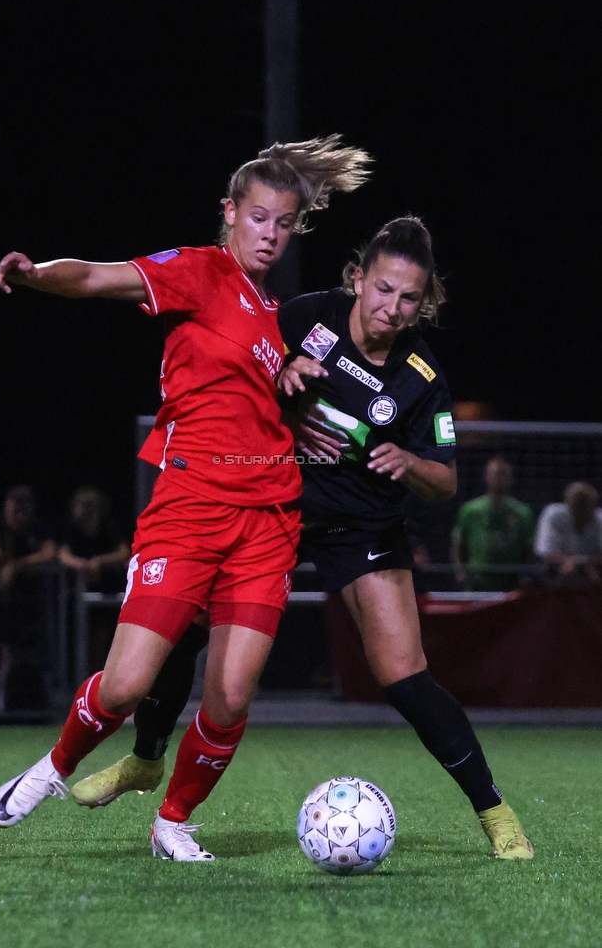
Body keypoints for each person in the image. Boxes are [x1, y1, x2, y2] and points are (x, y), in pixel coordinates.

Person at [73, 218, 533, 860]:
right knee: (185, 628)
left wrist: (408, 460)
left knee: (403, 675)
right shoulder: (307, 317)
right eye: (382, 290)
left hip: (362, 526)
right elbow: (244, 360)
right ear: (358, 280)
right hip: (269, 505)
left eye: (407, 298)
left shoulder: (423, 376)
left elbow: (446, 480)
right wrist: (284, 377)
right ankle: (147, 759)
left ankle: (495, 813)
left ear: (421, 301)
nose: (391, 308)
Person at [0, 135, 372, 861]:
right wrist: (38, 274)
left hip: (268, 521)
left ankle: (173, 819)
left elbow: (260, 405)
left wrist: (296, 406)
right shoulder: (200, 272)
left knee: (230, 696)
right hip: (191, 505)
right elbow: (100, 279)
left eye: (285, 223)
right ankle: (54, 768)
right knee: (127, 684)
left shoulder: (272, 314)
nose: (271, 233)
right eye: (259, 217)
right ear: (230, 213)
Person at [0, 485, 56, 711]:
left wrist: (15, 565)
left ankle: (25, 703)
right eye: (13, 507)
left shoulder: (37, 527)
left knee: (26, 656)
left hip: (28, 603)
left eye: (23, 508)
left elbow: (50, 553)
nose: (17, 513)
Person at [58, 487, 131, 671]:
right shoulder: (73, 529)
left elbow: (123, 552)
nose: (84, 512)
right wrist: (82, 564)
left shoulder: (108, 526)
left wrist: (99, 561)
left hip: (110, 592)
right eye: (81, 506)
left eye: (89, 507)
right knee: (87, 641)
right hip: (81, 595)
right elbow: (63, 554)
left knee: (108, 639)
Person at [451, 457, 535, 591]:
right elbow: (458, 545)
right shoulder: (470, 510)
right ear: (486, 477)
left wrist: (525, 575)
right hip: (478, 583)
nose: (499, 478)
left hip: (511, 583)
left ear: (511, 478)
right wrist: (460, 574)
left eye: (503, 474)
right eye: (496, 474)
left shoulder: (522, 512)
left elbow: (529, 548)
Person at [534, 481, 602, 583]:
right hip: (556, 574)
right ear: (567, 503)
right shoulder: (553, 514)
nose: (582, 508)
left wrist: (582, 563)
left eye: (586, 504)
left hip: (593, 572)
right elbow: (544, 552)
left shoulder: (600, 518)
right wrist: (567, 562)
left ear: (595, 504)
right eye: (579, 503)